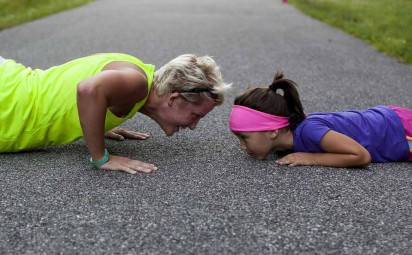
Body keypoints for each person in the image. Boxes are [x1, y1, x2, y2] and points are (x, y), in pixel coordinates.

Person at [0, 53, 230, 174]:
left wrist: (96, 123)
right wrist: (101, 157)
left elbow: (79, 89)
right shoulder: (137, 83)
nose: (193, 126)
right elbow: (88, 90)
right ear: (174, 98)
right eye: (196, 115)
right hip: (8, 103)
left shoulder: (137, 76)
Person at [229, 71, 412, 168]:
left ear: (273, 131)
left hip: (401, 130)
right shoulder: (288, 140)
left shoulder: (309, 131)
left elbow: (361, 156)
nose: (242, 146)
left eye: (244, 138)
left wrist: (311, 158)